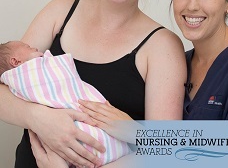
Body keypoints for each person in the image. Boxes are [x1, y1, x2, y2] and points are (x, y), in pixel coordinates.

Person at [0, 0, 186, 167]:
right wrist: (39, 118)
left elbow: (165, 150)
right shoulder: (60, 12)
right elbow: (7, 83)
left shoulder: (163, 46)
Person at [0, 41, 131, 166]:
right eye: (27, 46)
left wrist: (136, 131)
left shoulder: (151, 46)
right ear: (15, 61)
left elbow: (152, 147)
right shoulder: (54, 19)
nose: (34, 48)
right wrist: (36, 116)